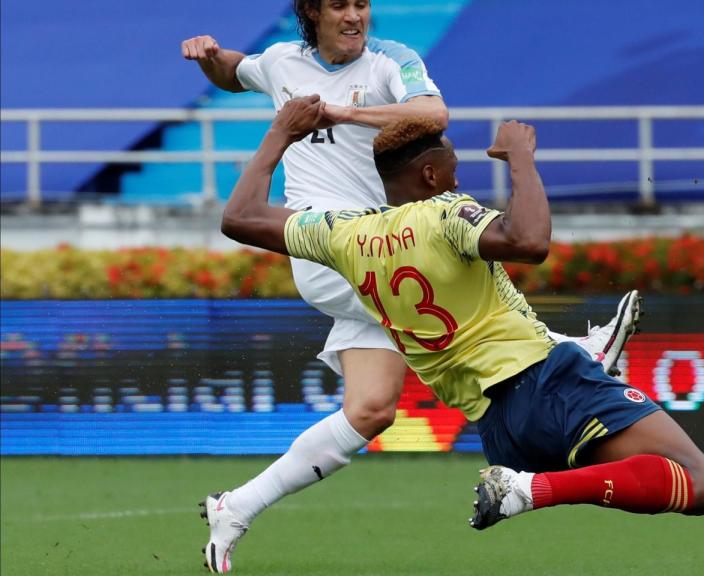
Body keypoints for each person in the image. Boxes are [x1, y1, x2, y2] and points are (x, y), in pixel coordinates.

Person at [219, 95, 704, 570]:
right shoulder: (445, 214)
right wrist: (521, 158)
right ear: (432, 176)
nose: (460, 179)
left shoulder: (344, 234)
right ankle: (531, 487)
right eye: (454, 169)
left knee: (682, 482)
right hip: (545, 381)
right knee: (695, 477)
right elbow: (530, 241)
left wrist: (280, 133)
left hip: (498, 426)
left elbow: (240, 217)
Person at [184, 2, 638, 572]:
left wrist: (341, 115)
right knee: (452, 269)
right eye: (339, 5)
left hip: (382, 250)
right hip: (337, 249)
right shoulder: (280, 61)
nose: (354, 16)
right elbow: (234, 71)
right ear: (311, 13)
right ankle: (572, 350)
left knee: (370, 411)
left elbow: (434, 113)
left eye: (361, 4)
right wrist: (208, 56)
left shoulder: (388, 63)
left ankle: (236, 507)